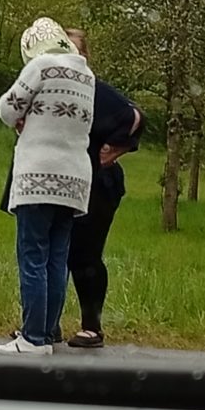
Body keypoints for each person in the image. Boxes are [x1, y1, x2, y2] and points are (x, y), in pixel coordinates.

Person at [0, 17, 95, 355]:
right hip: (75, 180)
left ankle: (32, 337)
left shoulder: (40, 66)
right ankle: (48, 333)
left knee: (33, 257)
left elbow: (8, 109)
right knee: (56, 259)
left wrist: (25, 118)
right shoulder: (86, 75)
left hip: (38, 176)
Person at [59, 28, 145, 348]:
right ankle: (45, 325)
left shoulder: (95, 90)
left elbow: (135, 116)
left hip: (98, 182)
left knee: (85, 255)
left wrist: (115, 149)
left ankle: (92, 328)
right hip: (61, 180)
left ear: (85, 57)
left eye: (73, 51)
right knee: (53, 253)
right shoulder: (51, 88)